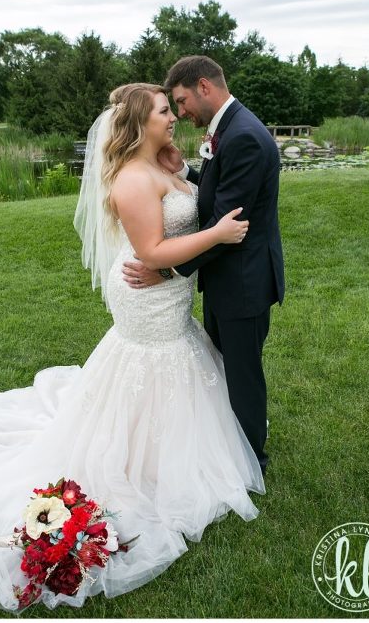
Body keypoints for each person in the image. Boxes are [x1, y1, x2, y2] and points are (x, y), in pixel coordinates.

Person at [0, 83, 265, 612]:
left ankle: (159, 446)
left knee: (177, 354)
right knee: (153, 359)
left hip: (169, 293)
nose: (174, 117)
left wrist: (180, 167)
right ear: (140, 125)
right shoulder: (133, 181)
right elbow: (152, 250)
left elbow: (181, 201)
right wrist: (217, 235)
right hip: (149, 290)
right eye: (166, 112)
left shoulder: (159, 163)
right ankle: (136, 457)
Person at [123, 57, 285, 473]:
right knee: (223, 366)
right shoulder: (229, 129)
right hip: (224, 278)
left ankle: (252, 461)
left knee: (242, 375)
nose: (180, 113)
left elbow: (226, 223)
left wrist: (166, 269)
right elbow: (220, 193)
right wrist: (188, 171)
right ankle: (226, 444)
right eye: (171, 108)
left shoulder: (243, 135)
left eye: (180, 102)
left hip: (243, 282)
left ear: (203, 87)